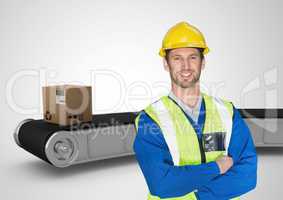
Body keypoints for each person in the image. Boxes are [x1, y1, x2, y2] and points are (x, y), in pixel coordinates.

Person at [133, 21, 257, 200]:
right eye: (177, 58)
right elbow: (161, 183)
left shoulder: (227, 112)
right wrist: (217, 167)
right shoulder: (151, 119)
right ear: (166, 64)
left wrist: (198, 195)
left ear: (203, 62)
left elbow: (247, 174)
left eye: (193, 57)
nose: (185, 66)